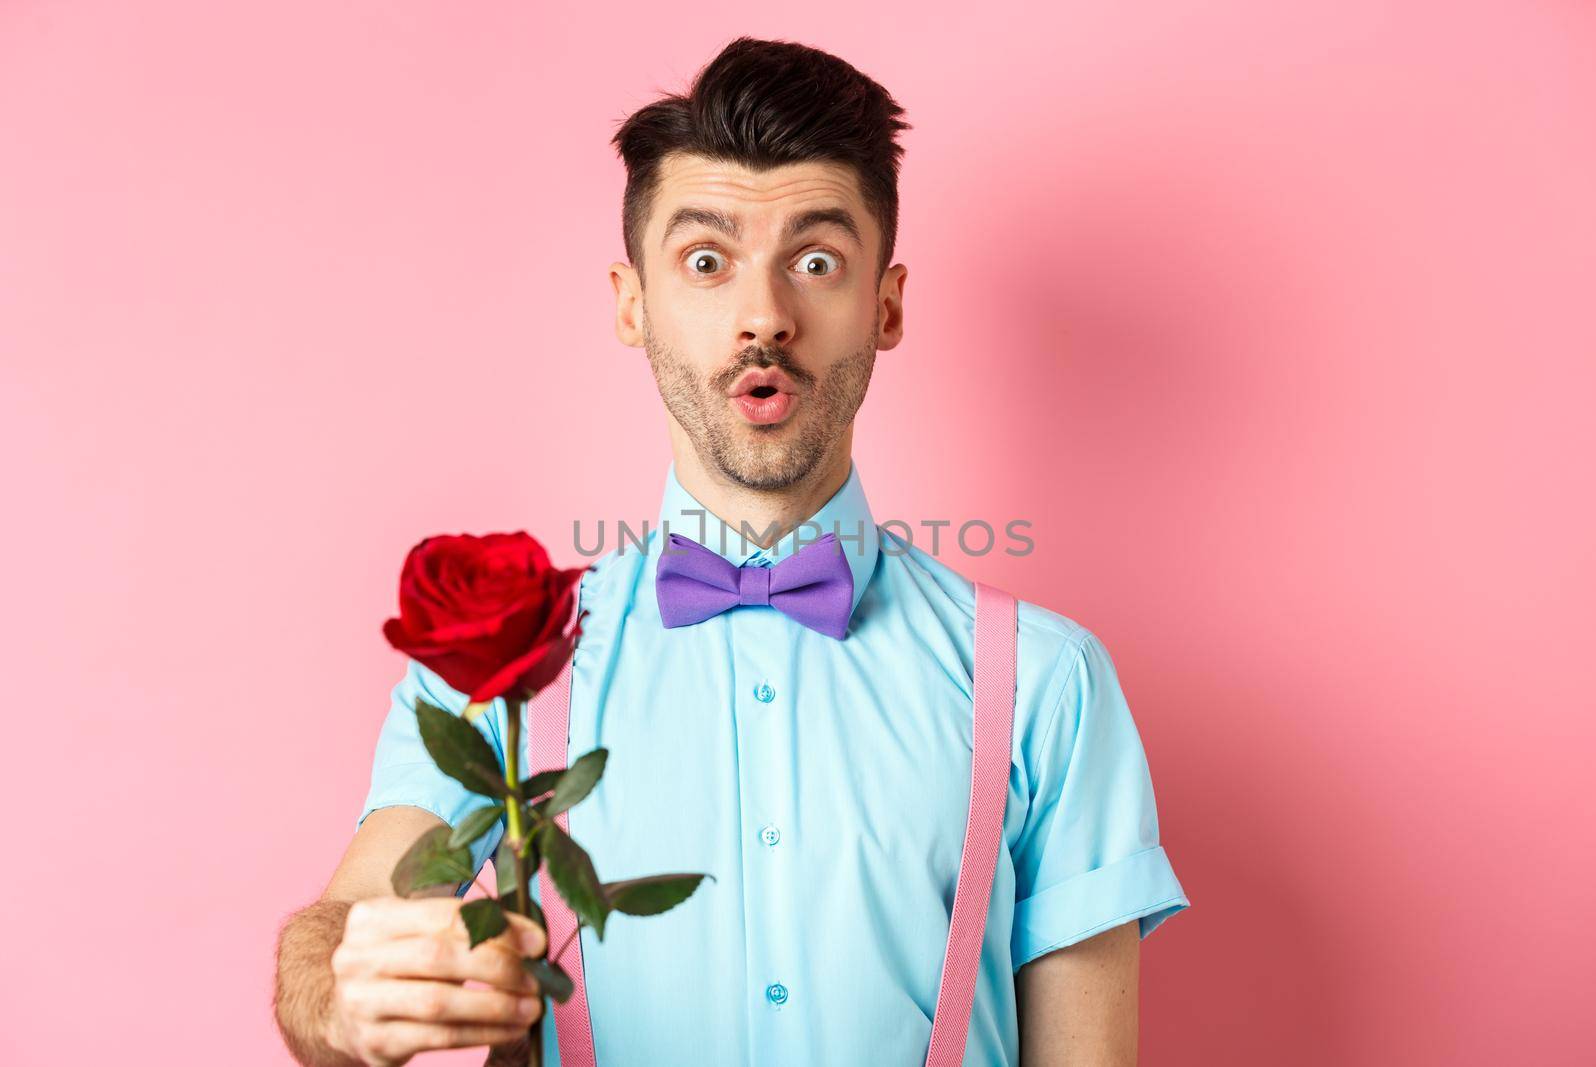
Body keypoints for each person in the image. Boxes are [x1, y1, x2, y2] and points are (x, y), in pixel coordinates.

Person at [274, 34, 1189, 1067]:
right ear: (634, 304)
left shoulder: (1046, 681)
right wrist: (350, 990)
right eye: (706, 262)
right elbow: (337, 932)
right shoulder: (499, 668)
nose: (764, 317)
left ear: (884, 305)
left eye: (816, 261)